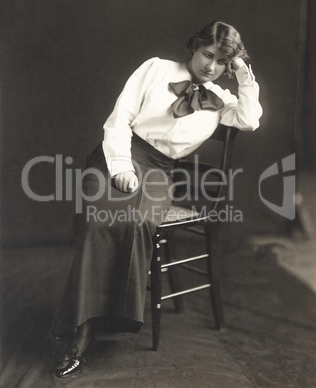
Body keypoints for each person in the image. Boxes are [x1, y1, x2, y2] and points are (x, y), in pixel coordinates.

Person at [51, 20, 263, 378]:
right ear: (194, 48)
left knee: (138, 221)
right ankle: (81, 330)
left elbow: (251, 119)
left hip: (160, 172)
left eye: (222, 62)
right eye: (207, 54)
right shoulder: (155, 69)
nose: (211, 66)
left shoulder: (223, 100)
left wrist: (243, 74)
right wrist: (120, 165)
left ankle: (105, 319)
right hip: (115, 155)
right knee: (97, 220)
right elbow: (119, 120)